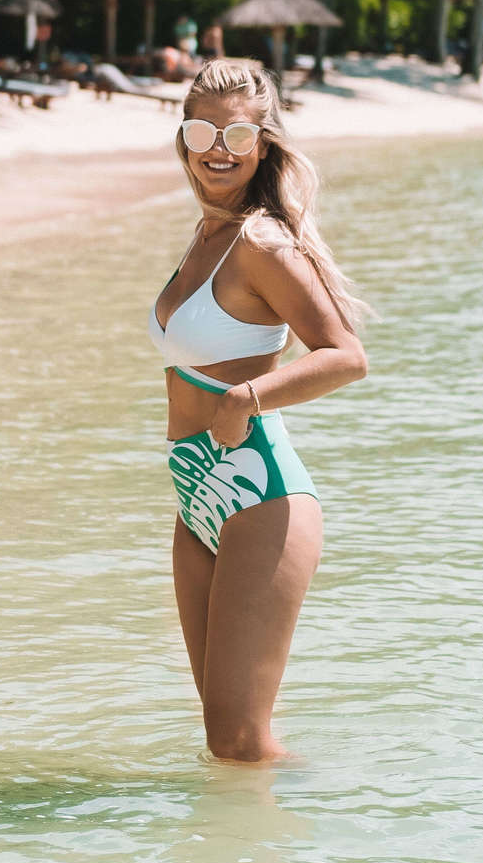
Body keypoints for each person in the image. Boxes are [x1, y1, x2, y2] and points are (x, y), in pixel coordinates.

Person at [150, 57, 367, 763]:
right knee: (223, 741)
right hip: (198, 497)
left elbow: (345, 354)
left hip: (258, 494)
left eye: (237, 138)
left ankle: (336, 826)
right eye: (201, 131)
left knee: (242, 740)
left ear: (264, 144)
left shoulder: (260, 241)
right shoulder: (208, 233)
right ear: (183, 138)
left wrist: (249, 397)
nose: (218, 149)